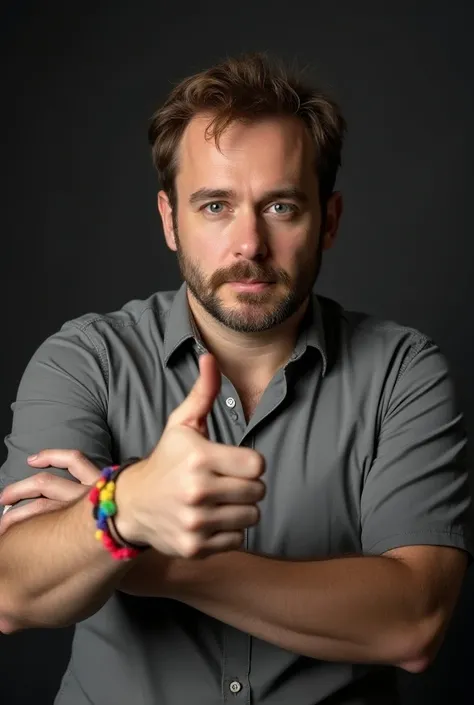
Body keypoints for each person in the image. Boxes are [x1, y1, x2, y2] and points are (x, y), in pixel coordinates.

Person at [0, 51, 472, 705]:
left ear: (328, 220)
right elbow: (11, 588)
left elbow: (414, 621)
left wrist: (130, 542)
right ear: (170, 220)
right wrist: (132, 503)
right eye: (216, 205)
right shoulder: (86, 359)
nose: (248, 243)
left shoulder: (402, 372)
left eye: (280, 207)